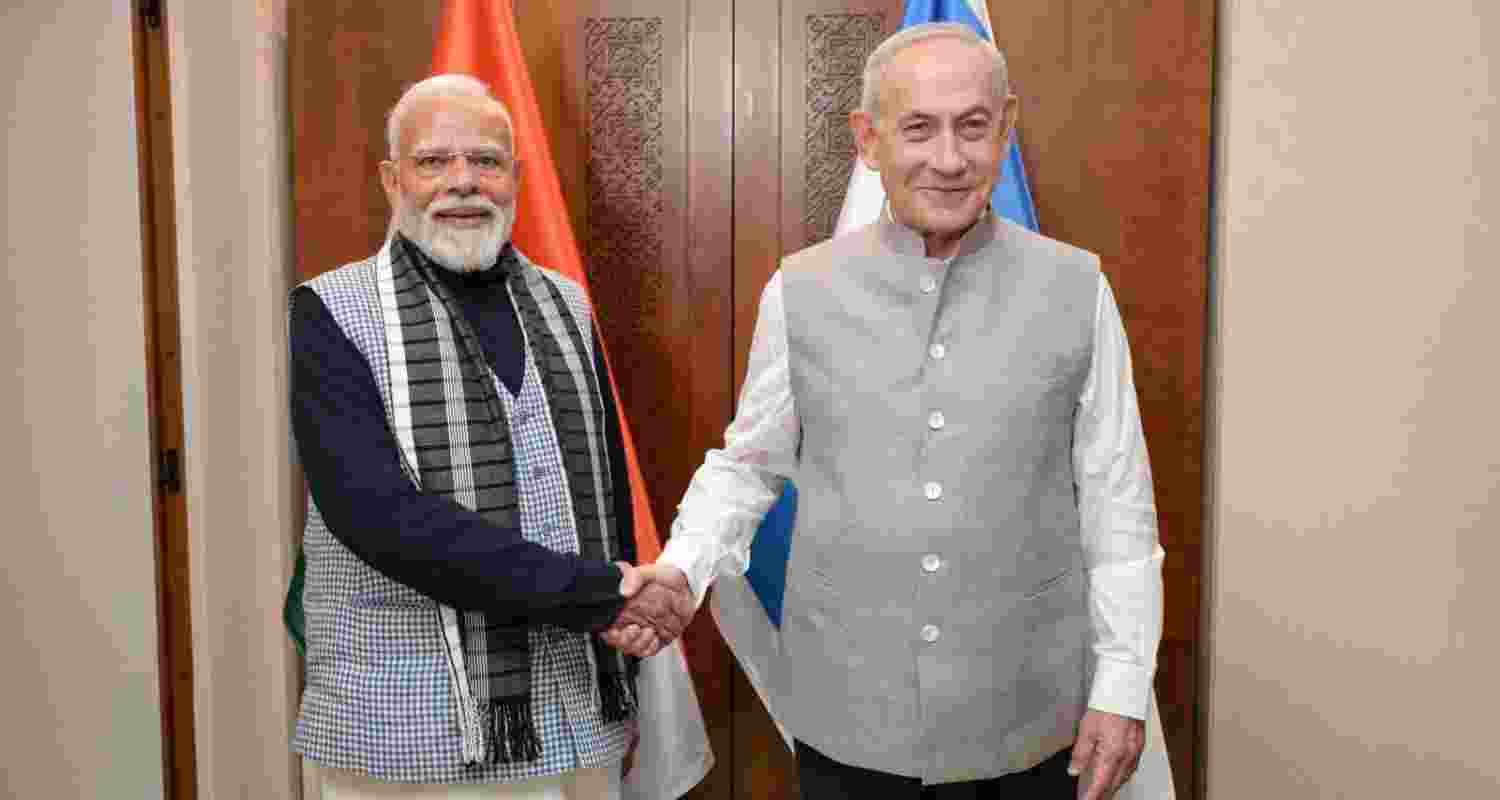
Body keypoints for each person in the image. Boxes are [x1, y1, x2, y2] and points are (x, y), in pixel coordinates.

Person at [651, 22, 1164, 800]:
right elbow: (749, 466)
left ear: (1006, 129)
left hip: (1028, 717)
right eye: (918, 128)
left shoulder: (1077, 289)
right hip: (849, 721)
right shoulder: (801, 290)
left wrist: (1123, 688)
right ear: (869, 138)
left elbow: (1117, 501)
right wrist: (682, 570)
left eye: (973, 127)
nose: (949, 159)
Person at [288, 74, 692, 799]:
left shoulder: (566, 305)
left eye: (486, 161)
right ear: (392, 179)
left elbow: (598, 492)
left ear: (516, 177)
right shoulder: (330, 312)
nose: (463, 182)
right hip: (408, 735)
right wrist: (602, 594)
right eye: (433, 161)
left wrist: (627, 633)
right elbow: (380, 518)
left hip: (575, 722)